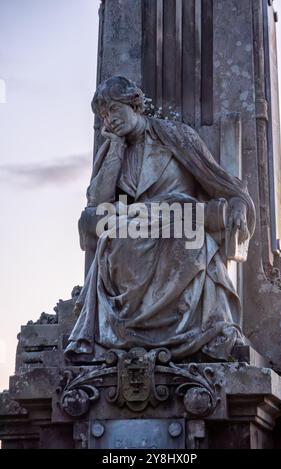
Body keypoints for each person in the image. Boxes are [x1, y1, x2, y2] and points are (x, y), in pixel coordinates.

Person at [65, 76, 255, 362]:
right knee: (114, 239)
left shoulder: (176, 136)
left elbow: (223, 185)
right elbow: (97, 207)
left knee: (190, 238)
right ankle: (127, 332)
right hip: (133, 236)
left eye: (115, 110)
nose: (110, 119)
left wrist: (238, 205)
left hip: (179, 228)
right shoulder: (114, 151)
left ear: (135, 104)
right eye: (104, 116)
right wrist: (115, 150)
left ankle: (194, 331)